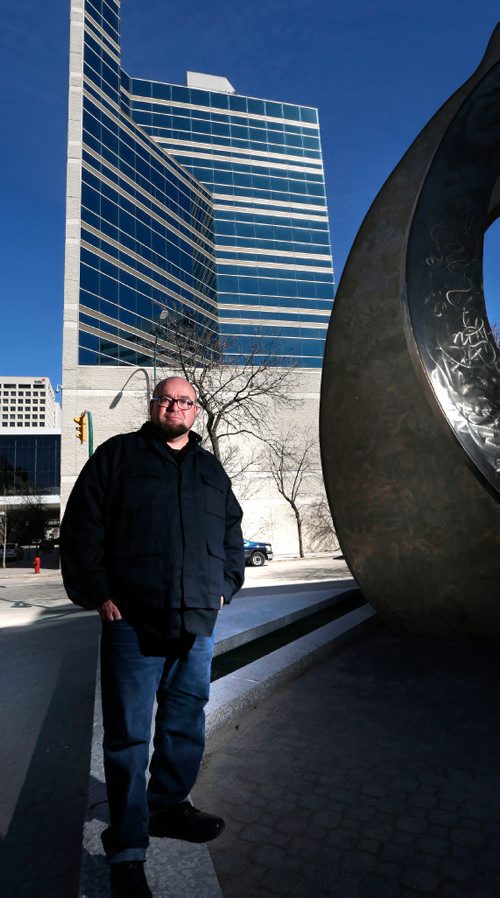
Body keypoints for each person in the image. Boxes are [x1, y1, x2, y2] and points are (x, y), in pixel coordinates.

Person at [60, 377, 245, 898]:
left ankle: (167, 807)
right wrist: (99, 593)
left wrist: (227, 585)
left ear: (195, 410)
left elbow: (232, 531)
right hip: (131, 622)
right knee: (127, 738)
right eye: (167, 399)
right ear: (153, 406)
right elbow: (81, 527)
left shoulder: (211, 469)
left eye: (185, 401)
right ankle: (127, 844)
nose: (175, 407)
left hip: (196, 622)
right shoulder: (118, 456)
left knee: (185, 725)